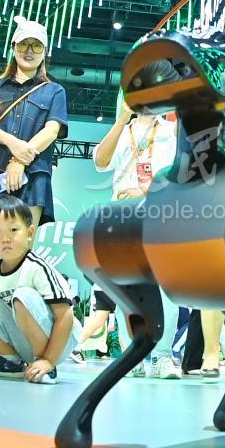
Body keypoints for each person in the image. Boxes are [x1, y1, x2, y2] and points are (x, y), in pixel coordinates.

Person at [0, 18, 67, 343]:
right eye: (24, 44)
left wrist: (21, 160)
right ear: (14, 47)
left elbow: (52, 129)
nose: (29, 51)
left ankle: (18, 341)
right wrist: (13, 145)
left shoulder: (55, 91)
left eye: (36, 45)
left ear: (45, 51)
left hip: (32, 175)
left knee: (21, 256)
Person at [91, 91, 182, 379]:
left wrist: (145, 191)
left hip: (160, 212)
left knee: (165, 284)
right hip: (123, 214)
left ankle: (163, 356)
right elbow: (100, 162)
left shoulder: (171, 131)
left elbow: (182, 171)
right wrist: (121, 120)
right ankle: (134, 355)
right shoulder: (123, 129)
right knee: (127, 285)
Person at [0, 195, 80, 383]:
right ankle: (10, 362)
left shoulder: (37, 267)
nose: (5, 238)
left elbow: (65, 316)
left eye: (13, 230)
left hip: (59, 342)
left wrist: (49, 360)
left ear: (30, 233)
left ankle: (43, 365)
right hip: (24, 341)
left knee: (22, 296)